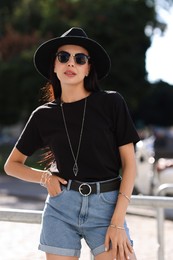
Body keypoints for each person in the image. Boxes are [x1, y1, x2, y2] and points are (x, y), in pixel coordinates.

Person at [4, 27, 140, 260]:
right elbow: (12, 165)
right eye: (63, 57)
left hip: (106, 207)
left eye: (80, 59)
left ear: (88, 69)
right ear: (54, 66)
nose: (71, 63)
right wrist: (44, 177)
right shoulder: (43, 115)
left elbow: (130, 165)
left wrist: (117, 222)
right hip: (61, 207)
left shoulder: (111, 103)